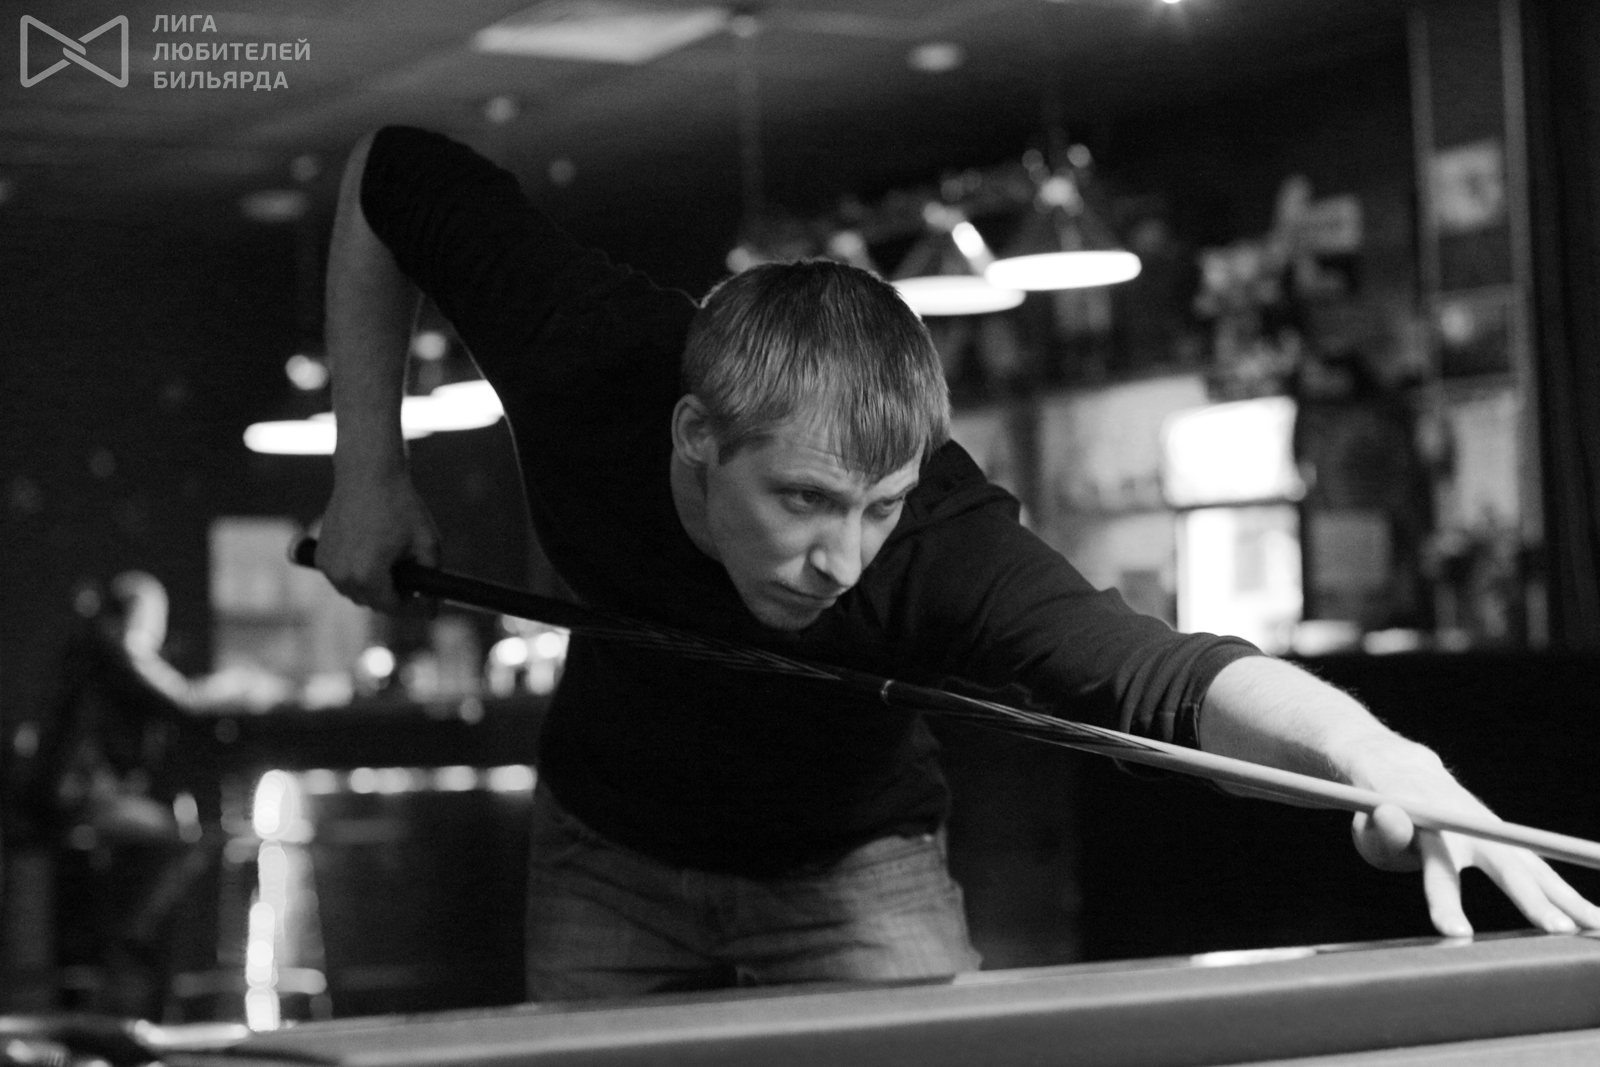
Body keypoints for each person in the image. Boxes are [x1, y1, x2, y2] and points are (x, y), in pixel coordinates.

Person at [314, 126, 1600, 1000]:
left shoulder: (942, 540)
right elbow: (388, 169)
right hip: (608, 847)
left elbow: (1159, 675)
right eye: (805, 499)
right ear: (697, 437)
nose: (841, 557)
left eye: (876, 506)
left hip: (854, 869)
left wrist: (1374, 753)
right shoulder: (582, 349)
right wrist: (368, 467)